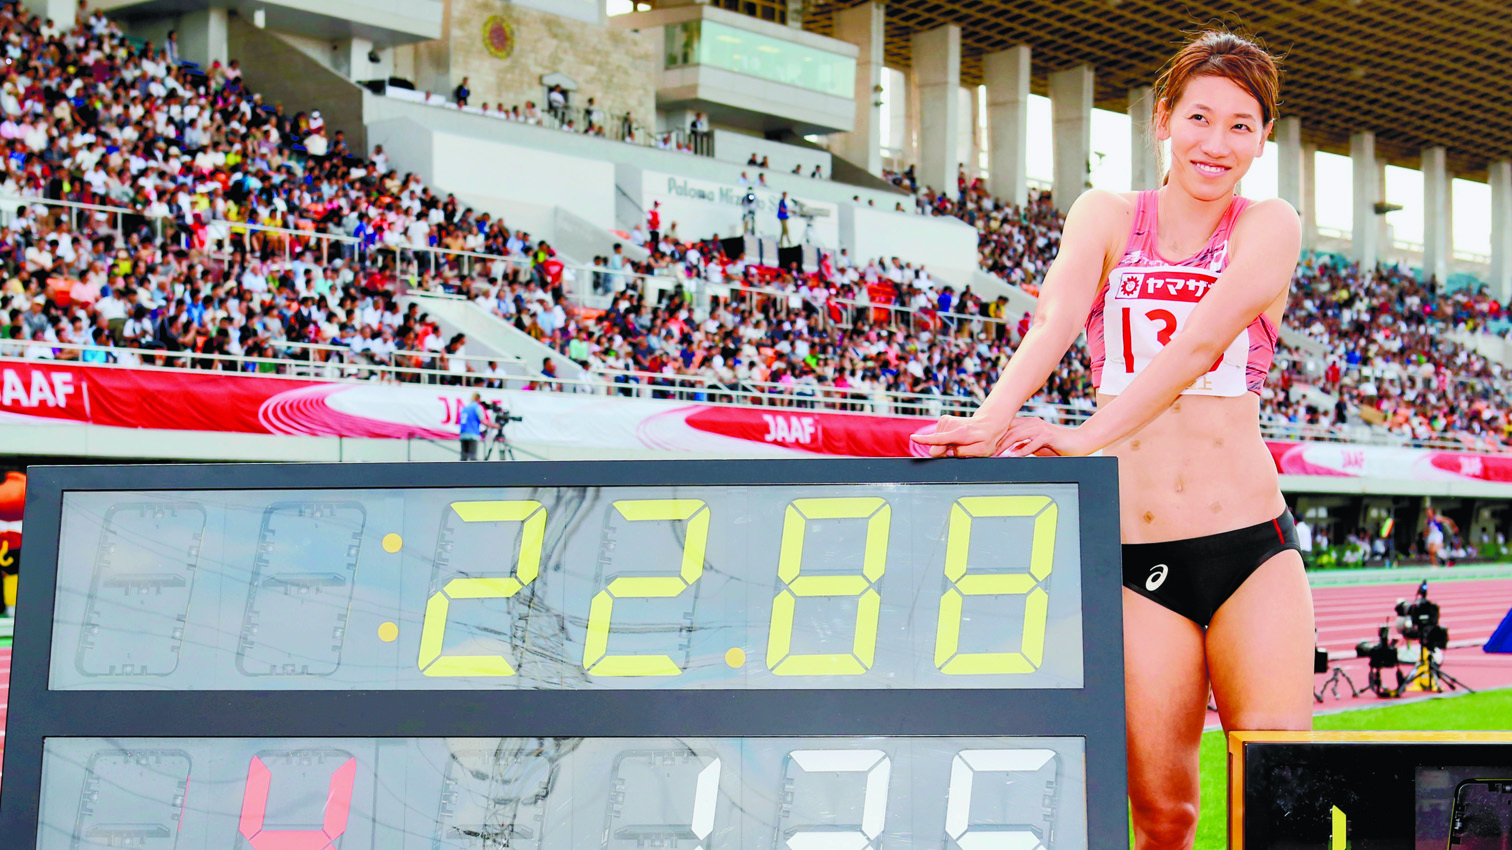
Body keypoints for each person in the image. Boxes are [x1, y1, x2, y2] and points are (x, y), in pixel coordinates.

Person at [911, 31, 1309, 850]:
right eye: (1201, 117)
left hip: (1252, 553)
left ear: (1264, 138)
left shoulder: (1270, 224)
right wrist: (991, 418)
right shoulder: (1106, 214)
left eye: (1243, 125)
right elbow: (1055, 321)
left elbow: (1200, 345)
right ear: (1163, 119)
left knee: (1273, 808)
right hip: (1135, 560)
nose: (1218, 142)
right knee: (1164, 817)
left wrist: (1086, 435)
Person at [458, 392, 484, 460]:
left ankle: (462, 470)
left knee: (464, 456)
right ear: (478, 399)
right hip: (473, 434)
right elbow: (483, 421)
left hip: (463, 434)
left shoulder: (465, 408)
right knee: (473, 456)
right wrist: (495, 426)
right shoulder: (477, 407)